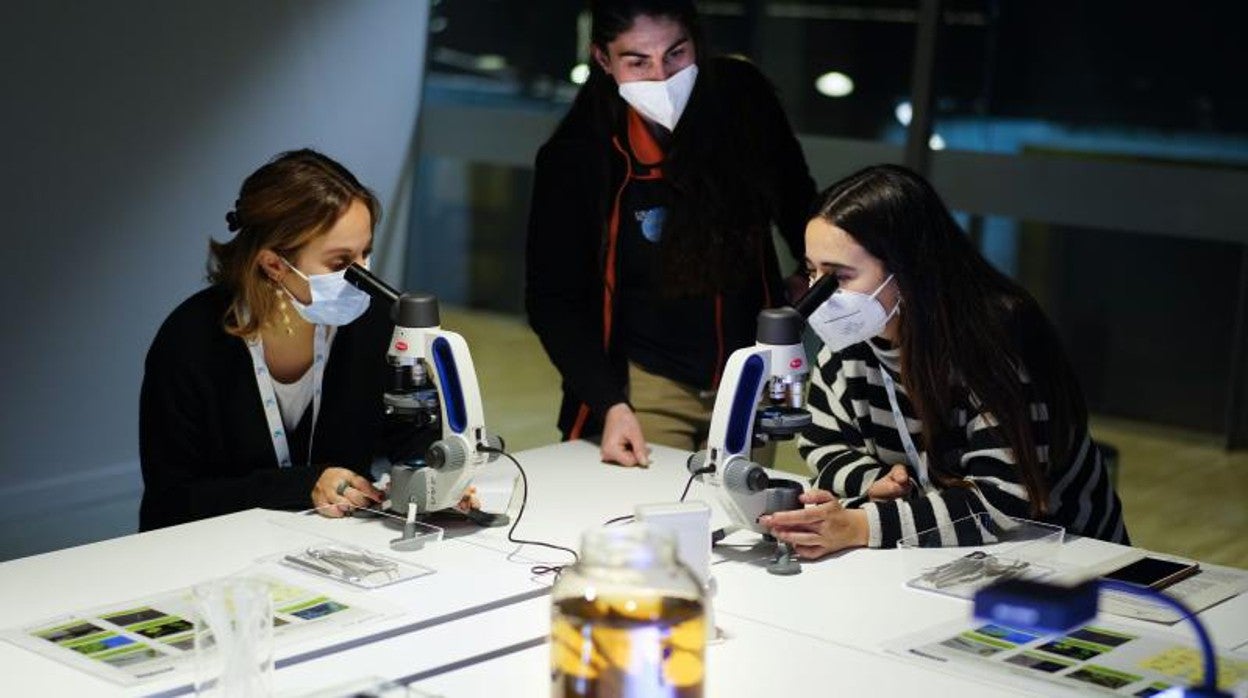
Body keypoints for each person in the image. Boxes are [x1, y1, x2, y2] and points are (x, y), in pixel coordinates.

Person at [760, 164, 1128, 558]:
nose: (819, 294)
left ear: (907, 269)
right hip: (949, 553)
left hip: (1069, 559)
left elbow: (1004, 502)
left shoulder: (992, 342)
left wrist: (861, 525)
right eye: (812, 271)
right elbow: (821, 442)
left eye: (840, 277)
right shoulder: (852, 335)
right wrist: (873, 482)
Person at [525, 0, 815, 466]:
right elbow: (553, 298)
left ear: (696, 43)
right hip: (645, 385)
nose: (661, 75)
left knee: (741, 521)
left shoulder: (743, 101)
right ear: (603, 59)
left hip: (752, 377)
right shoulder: (579, 154)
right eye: (637, 61)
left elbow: (802, 206)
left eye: (676, 54)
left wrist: (810, 274)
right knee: (648, 525)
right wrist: (609, 404)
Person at [139, 149, 401, 530]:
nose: (364, 276)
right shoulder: (190, 341)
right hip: (208, 553)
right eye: (341, 263)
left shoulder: (370, 321)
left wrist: (432, 473)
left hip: (332, 546)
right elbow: (174, 500)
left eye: (366, 253)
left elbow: (406, 430)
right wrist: (300, 487)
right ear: (274, 264)